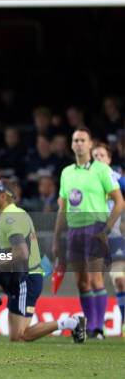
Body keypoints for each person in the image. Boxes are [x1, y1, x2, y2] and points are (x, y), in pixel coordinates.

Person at [0, 179, 86, 342]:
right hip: (16, 276)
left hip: (26, 279)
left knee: (20, 336)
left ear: (3, 196)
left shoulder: (11, 218)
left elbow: (21, 254)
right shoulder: (12, 214)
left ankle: (71, 323)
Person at [52, 128, 124, 339]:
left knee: (95, 280)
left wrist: (106, 229)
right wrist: (57, 238)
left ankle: (97, 328)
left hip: (95, 227)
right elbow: (62, 208)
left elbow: (119, 202)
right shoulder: (66, 172)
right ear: (72, 144)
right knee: (81, 282)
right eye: (75, 140)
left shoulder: (102, 170)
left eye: (83, 140)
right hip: (74, 231)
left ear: (90, 144)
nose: (79, 144)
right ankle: (90, 325)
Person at [91, 142, 125, 334]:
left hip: (114, 236)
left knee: (120, 279)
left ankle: (124, 323)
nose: (99, 159)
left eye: (102, 155)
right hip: (93, 237)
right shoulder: (87, 179)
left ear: (109, 159)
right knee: (95, 282)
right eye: (95, 156)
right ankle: (97, 326)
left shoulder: (115, 177)